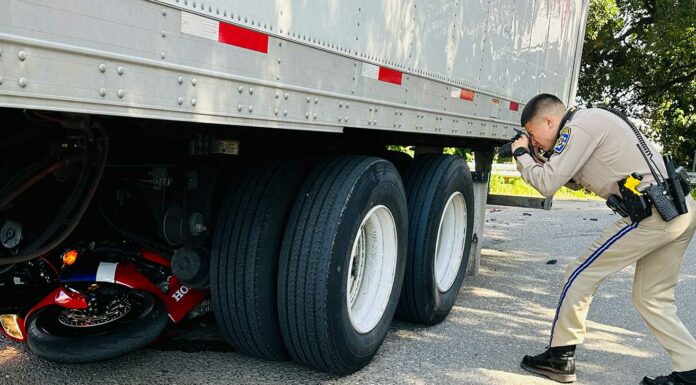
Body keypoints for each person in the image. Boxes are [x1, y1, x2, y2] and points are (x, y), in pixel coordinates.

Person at [510, 93, 696, 384]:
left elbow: (546, 184)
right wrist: (536, 157)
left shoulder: (577, 127)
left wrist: (521, 154)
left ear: (548, 120)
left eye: (533, 135)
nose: (534, 142)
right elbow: (570, 176)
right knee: (652, 297)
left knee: (579, 273)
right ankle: (690, 372)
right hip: (680, 208)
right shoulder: (591, 120)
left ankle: (560, 359)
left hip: (655, 214)